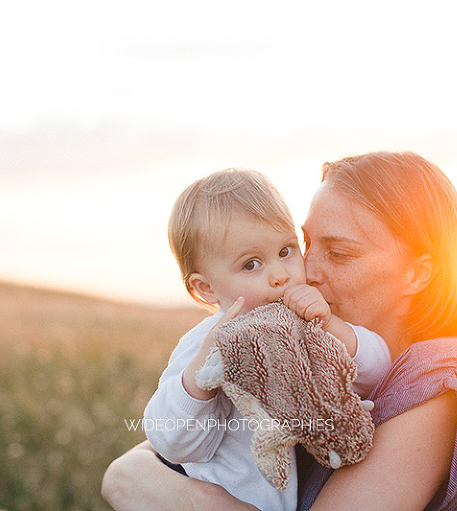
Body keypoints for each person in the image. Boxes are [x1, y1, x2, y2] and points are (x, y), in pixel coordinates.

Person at [101, 152, 457, 511]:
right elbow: (160, 447)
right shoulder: (285, 348)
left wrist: (169, 491)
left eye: (339, 253)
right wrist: (129, 472)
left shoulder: (444, 369)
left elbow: (139, 472)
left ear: (417, 273)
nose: (305, 271)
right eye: (306, 244)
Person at [142, 168, 391, 511]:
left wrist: (331, 323)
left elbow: (378, 369)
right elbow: (171, 440)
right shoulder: (206, 344)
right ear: (206, 288)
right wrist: (197, 381)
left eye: (287, 250)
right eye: (251, 264)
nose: (279, 275)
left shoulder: (307, 322)